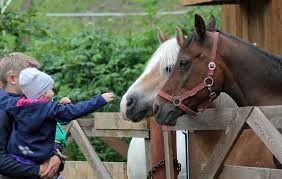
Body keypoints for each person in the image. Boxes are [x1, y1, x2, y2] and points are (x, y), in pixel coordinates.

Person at [0, 67, 115, 172]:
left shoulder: (16, 105)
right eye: (51, 89)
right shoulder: (50, 109)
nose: (53, 91)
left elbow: (6, 99)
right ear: (44, 93)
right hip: (40, 159)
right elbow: (75, 111)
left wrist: (62, 106)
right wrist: (99, 100)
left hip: (19, 157)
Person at [0, 53, 62, 179]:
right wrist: (37, 170)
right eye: (31, 77)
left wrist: (57, 156)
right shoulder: (2, 111)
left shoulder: (34, 105)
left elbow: (42, 139)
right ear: (12, 79)